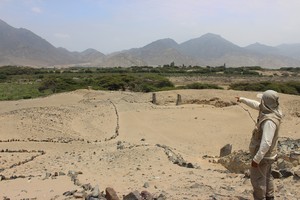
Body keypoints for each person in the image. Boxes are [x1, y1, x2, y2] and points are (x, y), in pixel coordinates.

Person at [236, 90, 283, 200]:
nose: (260, 102)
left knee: (258, 180)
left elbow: (266, 143)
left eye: (262, 100)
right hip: (269, 155)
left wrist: (256, 159)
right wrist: (242, 99)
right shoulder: (273, 110)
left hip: (263, 156)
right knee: (267, 177)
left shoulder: (269, 121)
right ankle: (269, 197)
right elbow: (256, 105)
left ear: (266, 102)